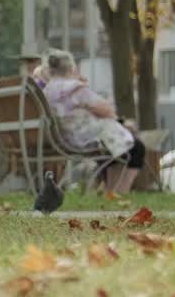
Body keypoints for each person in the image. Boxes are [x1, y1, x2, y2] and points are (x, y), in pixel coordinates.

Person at [39, 49, 146, 194]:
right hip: (85, 138)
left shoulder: (46, 92)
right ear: (72, 68)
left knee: (115, 149)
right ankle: (120, 192)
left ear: (50, 69)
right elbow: (105, 110)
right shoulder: (74, 88)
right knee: (136, 148)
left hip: (66, 137)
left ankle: (111, 193)